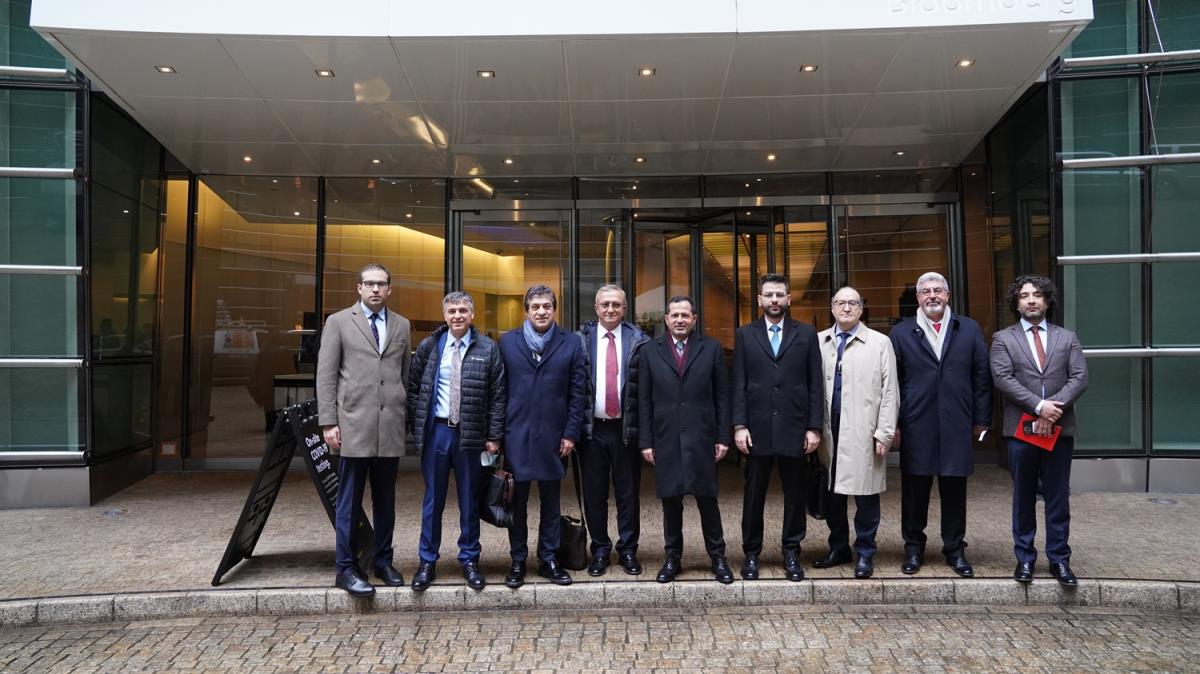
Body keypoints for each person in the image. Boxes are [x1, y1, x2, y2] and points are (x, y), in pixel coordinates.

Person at [316, 263, 411, 597]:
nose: (375, 289)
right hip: (352, 426)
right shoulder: (339, 322)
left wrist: (403, 414)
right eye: (369, 284)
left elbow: (403, 374)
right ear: (359, 287)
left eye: (381, 284)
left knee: (386, 501)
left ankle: (383, 562)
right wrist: (329, 422)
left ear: (389, 289)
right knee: (349, 502)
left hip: (390, 428)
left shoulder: (402, 325)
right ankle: (345, 568)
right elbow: (326, 375)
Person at [890, 272, 992, 578]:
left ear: (947, 295)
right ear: (918, 298)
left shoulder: (968, 328)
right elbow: (892, 383)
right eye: (925, 291)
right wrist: (894, 425)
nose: (932, 295)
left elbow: (981, 376)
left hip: (957, 421)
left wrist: (982, 419)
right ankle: (913, 549)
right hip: (915, 422)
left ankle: (955, 550)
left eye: (938, 290)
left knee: (954, 490)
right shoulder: (901, 332)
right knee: (914, 491)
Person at [990, 275, 1088, 586]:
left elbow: (1079, 377)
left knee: (1058, 496)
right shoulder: (1003, 339)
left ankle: (1059, 559)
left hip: (1059, 428)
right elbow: (1003, 378)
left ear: (1047, 300)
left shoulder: (1067, 338)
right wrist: (1038, 406)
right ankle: (1025, 559)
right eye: (1024, 296)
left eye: (1037, 295)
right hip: (1021, 430)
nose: (1031, 300)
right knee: (1023, 497)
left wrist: (1052, 409)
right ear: (1016, 303)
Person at [406, 292, 506, 592]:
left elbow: (498, 395)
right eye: (452, 311)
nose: (457, 316)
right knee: (433, 500)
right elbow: (414, 389)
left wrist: (494, 436)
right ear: (445, 315)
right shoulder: (430, 346)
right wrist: (418, 428)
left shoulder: (488, 348)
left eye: (463, 310)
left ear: (472, 314)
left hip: (471, 434)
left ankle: (470, 560)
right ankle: (427, 561)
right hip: (437, 432)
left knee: (469, 500)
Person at [731, 273, 822, 582]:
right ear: (759, 299)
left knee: (795, 495)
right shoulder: (745, 334)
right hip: (756, 430)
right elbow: (738, 383)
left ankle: (792, 552)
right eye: (768, 295)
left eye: (779, 295)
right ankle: (751, 554)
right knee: (753, 495)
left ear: (788, 299)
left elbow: (815, 384)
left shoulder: (806, 334)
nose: (774, 300)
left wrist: (814, 427)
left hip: (795, 428)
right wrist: (739, 425)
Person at [638, 296, 734, 584]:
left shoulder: (712, 349)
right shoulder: (649, 352)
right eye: (675, 315)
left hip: (701, 437)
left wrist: (723, 437)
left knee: (707, 500)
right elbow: (644, 400)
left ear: (694, 319)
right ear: (666, 319)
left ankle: (718, 557)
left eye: (685, 315)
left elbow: (722, 396)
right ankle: (672, 558)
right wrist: (646, 441)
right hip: (665, 437)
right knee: (671, 502)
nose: (680, 319)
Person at [498, 285, 589, 588]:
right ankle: (518, 560)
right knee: (517, 505)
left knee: (551, 503)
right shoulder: (507, 342)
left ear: (554, 309)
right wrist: (497, 434)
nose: (541, 311)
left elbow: (577, 393)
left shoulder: (571, 342)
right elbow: (499, 391)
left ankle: (548, 558)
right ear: (526, 310)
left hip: (554, 438)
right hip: (516, 436)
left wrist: (571, 433)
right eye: (535, 306)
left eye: (547, 306)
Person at [814, 287, 898, 579]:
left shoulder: (879, 343)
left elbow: (890, 391)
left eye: (853, 303)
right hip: (829, 431)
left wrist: (884, 432)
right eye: (841, 303)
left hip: (864, 431)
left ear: (861, 309)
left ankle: (865, 552)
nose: (846, 308)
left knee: (866, 495)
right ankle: (838, 547)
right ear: (832, 308)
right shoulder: (819, 342)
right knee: (832, 495)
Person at [577, 284, 651, 577]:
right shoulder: (580, 340)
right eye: (605, 304)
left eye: (616, 305)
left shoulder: (639, 341)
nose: (610, 309)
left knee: (627, 493)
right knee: (594, 494)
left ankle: (628, 550)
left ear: (625, 308)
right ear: (596, 308)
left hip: (625, 429)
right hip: (592, 430)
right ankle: (599, 550)